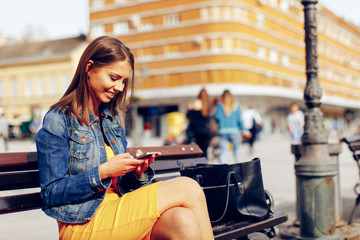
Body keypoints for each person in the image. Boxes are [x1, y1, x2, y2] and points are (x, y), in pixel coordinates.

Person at [35, 36, 213, 240]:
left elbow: (122, 188)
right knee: (188, 187)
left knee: (183, 220)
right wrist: (103, 171)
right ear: (89, 68)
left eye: (123, 81)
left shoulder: (112, 120)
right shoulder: (59, 119)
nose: (119, 87)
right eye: (113, 78)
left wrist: (135, 174)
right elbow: (50, 193)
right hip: (82, 224)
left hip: (120, 215)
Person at [214, 90, 248, 163]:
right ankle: (239, 169)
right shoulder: (236, 105)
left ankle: (222, 170)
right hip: (234, 131)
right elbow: (239, 120)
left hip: (222, 131)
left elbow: (217, 117)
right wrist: (245, 130)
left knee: (223, 152)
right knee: (236, 152)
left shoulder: (219, 105)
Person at [186, 88, 212, 158]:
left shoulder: (196, 103)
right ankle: (206, 166)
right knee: (205, 151)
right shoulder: (208, 104)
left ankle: (201, 166)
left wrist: (189, 108)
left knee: (199, 152)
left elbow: (189, 117)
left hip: (198, 131)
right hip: (207, 131)